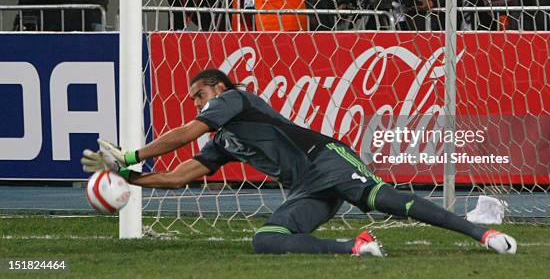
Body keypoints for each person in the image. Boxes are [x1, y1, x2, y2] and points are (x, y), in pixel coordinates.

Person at [81, 68, 518, 256]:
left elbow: (188, 132)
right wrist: (127, 176)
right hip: (307, 191)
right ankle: (356, 248)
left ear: (216, 88)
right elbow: (180, 177)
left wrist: (133, 152)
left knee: (382, 199)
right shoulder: (225, 140)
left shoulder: (235, 99)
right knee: (265, 240)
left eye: (198, 94)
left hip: (326, 157)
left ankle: (482, 231)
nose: (195, 103)